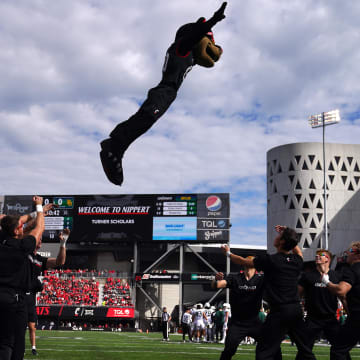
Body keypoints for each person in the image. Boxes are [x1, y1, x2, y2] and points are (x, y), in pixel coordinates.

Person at [100, 2, 227, 186]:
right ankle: (114, 145)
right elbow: (193, 37)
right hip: (164, 90)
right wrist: (213, 21)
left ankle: (118, 149)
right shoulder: (181, 47)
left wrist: (215, 44)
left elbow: (213, 52)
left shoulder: (188, 53)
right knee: (145, 118)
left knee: (144, 121)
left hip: (168, 94)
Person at [223, 225, 316, 360]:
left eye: (279, 236)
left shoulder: (270, 260)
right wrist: (289, 235)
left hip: (279, 312)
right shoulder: (296, 261)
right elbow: (299, 253)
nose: (276, 237)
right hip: (296, 310)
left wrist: (228, 253)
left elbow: (243, 261)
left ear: (282, 242)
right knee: (305, 350)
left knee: (264, 352)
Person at [0, 196, 45, 360]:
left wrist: (36, 212)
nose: (22, 227)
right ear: (16, 231)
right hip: (14, 300)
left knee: (3, 342)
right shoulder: (22, 247)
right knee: (17, 343)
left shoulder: (2, 240)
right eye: (20, 226)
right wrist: (39, 208)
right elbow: (38, 229)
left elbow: (17, 222)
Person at [212, 256, 281, 360]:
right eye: (247, 260)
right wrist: (215, 279)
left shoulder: (261, 278)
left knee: (273, 346)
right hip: (237, 323)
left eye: (252, 260)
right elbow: (217, 285)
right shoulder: (235, 278)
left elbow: (277, 283)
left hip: (255, 322)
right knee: (229, 350)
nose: (249, 262)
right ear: (243, 263)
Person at [296, 249, 350, 360]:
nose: (317, 256)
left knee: (340, 348)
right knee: (304, 348)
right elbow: (297, 296)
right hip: (312, 319)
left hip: (331, 319)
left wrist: (350, 314)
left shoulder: (336, 276)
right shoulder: (307, 276)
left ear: (328, 259)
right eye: (316, 255)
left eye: (321, 255)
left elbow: (343, 297)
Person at [25, 227, 69, 356]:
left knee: (32, 326)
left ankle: (33, 348)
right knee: (18, 327)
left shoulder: (39, 259)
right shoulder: (24, 253)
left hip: (31, 297)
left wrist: (63, 243)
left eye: (41, 239)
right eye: (39, 238)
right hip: (19, 295)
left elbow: (60, 261)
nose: (41, 241)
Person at [321, 242, 360, 359]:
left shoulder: (352, 270)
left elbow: (341, 291)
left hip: (358, 316)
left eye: (351, 251)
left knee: (338, 350)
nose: (347, 253)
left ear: (357, 254)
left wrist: (327, 282)